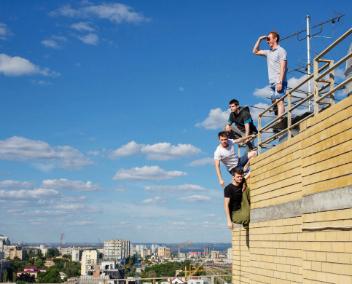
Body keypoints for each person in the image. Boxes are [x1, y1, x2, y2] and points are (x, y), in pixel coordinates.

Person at [253, 31, 288, 129]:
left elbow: (283, 67)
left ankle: (280, 120)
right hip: (271, 82)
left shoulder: (281, 50)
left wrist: (280, 81)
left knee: (280, 101)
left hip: (279, 80)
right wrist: (260, 39)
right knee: (275, 102)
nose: (267, 41)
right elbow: (255, 51)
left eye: (269, 38)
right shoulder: (268, 52)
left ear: (275, 38)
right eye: (267, 39)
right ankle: (279, 119)